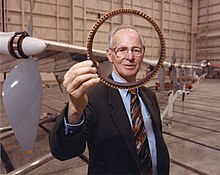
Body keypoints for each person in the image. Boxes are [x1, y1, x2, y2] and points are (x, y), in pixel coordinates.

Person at [49, 25, 170, 175]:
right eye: (121, 50)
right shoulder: (92, 96)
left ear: (142, 53)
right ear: (110, 55)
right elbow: (63, 151)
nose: (130, 56)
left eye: (136, 50)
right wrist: (74, 108)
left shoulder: (149, 96)